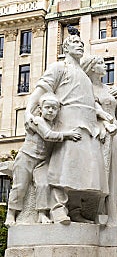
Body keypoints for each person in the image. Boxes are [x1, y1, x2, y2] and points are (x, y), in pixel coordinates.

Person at [24, 35, 109, 224]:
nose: (80, 45)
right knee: (64, 167)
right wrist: (28, 112)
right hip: (67, 122)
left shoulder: (85, 76)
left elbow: (92, 102)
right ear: (65, 48)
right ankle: (57, 209)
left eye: (82, 43)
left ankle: (75, 210)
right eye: (75, 43)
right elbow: (40, 90)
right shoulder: (58, 68)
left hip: (88, 126)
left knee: (83, 172)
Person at [5, 93, 81, 226]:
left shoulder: (57, 125)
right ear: (40, 110)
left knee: (44, 184)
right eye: (47, 107)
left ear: (58, 111)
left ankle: (42, 214)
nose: (51, 110)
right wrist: (68, 135)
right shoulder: (37, 121)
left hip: (42, 161)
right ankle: (11, 214)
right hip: (26, 158)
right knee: (20, 186)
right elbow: (47, 135)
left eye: (54, 108)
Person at [81, 55, 117, 225]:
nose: (105, 66)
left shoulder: (109, 89)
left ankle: (114, 213)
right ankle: (99, 212)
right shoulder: (86, 88)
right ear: (92, 68)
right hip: (99, 131)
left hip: (115, 129)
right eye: (101, 63)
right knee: (102, 171)